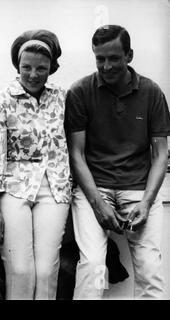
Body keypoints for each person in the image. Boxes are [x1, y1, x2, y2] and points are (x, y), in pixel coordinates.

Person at [65, 25, 170, 299]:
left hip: (139, 189)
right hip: (94, 190)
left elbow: (160, 154)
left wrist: (147, 202)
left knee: (150, 269)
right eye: (100, 58)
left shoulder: (151, 92)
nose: (106, 66)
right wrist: (99, 206)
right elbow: (76, 155)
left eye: (114, 58)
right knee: (94, 266)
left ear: (129, 55)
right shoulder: (80, 92)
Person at [0, 30, 72, 300]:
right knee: (20, 270)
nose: (33, 74)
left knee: (45, 271)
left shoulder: (63, 98)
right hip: (13, 188)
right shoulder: (1, 101)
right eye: (26, 67)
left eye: (41, 68)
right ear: (17, 66)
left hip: (54, 188)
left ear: (51, 68)